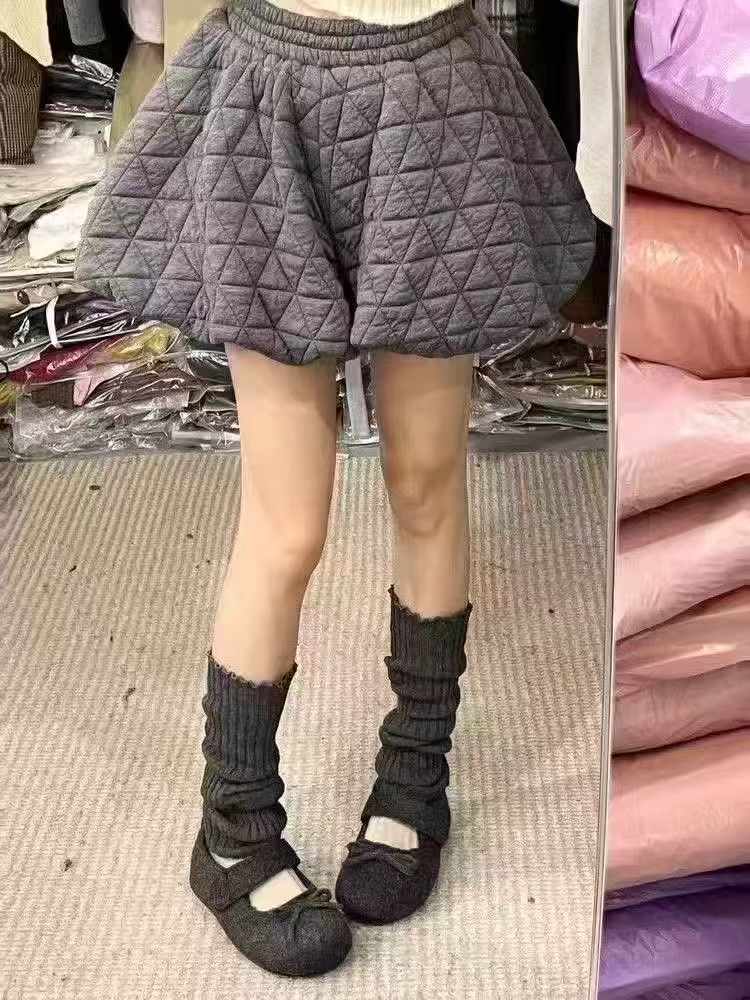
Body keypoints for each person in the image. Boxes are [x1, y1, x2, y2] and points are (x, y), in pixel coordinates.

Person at [75, 0, 594, 977]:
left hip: (433, 85)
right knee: (288, 522)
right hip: (270, 82)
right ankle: (231, 828)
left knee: (429, 483)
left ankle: (415, 776)